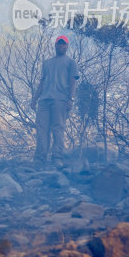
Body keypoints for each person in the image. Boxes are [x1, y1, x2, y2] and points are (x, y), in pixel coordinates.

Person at [31, 35, 80, 166]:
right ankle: (40, 158)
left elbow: (73, 81)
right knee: (42, 129)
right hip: (44, 100)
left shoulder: (70, 62)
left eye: (63, 44)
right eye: (59, 44)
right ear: (55, 45)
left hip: (60, 99)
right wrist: (35, 99)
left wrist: (71, 99)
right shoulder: (47, 63)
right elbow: (42, 82)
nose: (61, 46)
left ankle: (57, 157)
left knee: (58, 128)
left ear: (67, 46)